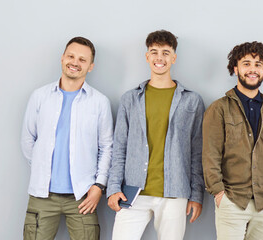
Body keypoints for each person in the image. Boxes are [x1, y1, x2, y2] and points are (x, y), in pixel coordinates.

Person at [106, 30, 205, 240]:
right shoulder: (130, 99)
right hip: (133, 191)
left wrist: (197, 194)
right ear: (147, 56)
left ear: (174, 57)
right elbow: (119, 147)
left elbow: (197, 152)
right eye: (154, 52)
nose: (160, 58)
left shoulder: (192, 101)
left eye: (166, 52)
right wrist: (113, 187)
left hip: (175, 192)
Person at [21, 36, 112, 240]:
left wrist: (98, 186)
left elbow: (107, 147)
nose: (75, 62)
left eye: (82, 59)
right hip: (42, 195)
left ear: (90, 66)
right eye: (71, 56)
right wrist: (41, 167)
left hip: (83, 196)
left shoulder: (100, 102)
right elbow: (28, 140)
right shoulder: (40, 96)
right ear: (62, 58)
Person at [203, 41, 263, 240]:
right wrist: (219, 193)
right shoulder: (219, 108)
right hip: (232, 199)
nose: (252, 69)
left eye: (258, 64)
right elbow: (210, 154)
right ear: (236, 68)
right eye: (246, 63)